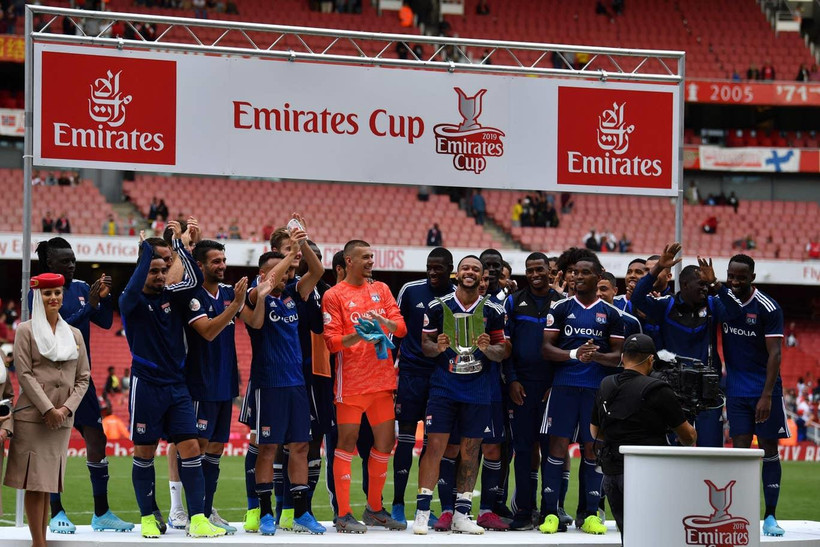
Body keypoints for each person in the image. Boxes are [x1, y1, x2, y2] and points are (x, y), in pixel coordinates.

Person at [120, 223, 226, 538]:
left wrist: (177, 245)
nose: (158, 275)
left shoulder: (172, 296)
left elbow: (192, 277)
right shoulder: (131, 301)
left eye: (162, 270)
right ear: (143, 270)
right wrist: (147, 252)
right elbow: (141, 275)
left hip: (177, 386)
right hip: (147, 384)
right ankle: (148, 517)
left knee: (191, 446)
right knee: (144, 450)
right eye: (152, 270)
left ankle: (197, 519)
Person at [31, 237, 130, 533]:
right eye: (66, 260)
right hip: (52, 378)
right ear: (50, 264)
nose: (72, 264)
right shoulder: (40, 292)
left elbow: (104, 323)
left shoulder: (82, 288)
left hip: (80, 378)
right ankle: (56, 511)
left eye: (73, 259)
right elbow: (56, 332)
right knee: (53, 445)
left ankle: (102, 513)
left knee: (96, 438)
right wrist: (91, 306)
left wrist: (104, 297)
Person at [414, 255, 510, 535]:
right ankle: (422, 512)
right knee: (436, 447)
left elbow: (501, 350)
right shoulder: (437, 306)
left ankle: (461, 514)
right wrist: (439, 347)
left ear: (482, 278)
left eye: (476, 270)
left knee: (471, 450)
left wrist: (488, 348)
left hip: (478, 388)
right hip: (444, 386)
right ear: (457, 274)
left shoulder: (492, 309)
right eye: (466, 268)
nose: (470, 272)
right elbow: (425, 346)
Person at [322, 240, 407, 533]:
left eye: (371, 256)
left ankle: (374, 509)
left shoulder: (381, 290)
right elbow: (332, 342)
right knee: (346, 444)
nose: (371, 261)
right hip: (352, 386)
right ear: (348, 260)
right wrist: (358, 336)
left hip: (382, 383)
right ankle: (343, 514)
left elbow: (402, 328)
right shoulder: (334, 295)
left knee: (385, 444)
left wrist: (385, 322)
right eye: (365, 257)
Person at [247, 223, 325, 535]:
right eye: (280, 270)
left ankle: (301, 512)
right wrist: (288, 253)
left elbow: (317, 270)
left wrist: (302, 244)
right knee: (268, 449)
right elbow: (269, 280)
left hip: (296, 383)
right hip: (269, 385)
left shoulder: (295, 293)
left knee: (301, 447)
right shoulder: (255, 295)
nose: (287, 274)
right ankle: (266, 513)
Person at [539, 249, 624, 535]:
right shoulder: (560, 308)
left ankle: (590, 515)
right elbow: (546, 349)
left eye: (584, 272)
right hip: (564, 386)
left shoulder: (611, 314)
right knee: (557, 448)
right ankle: (550, 513)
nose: (577, 277)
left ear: (598, 277)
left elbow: (619, 356)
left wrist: (595, 357)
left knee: (593, 450)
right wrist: (576, 353)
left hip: (595, 391)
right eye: (574, 272)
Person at [4, 273, 90, 547]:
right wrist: (48, 409)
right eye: (47, 293)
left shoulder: (74, 334)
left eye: (57, 292)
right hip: (33, 417)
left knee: (47, 484)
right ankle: (38, 543)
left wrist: (65, 409)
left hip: (61, 419)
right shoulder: (26, 330)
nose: (53, 297)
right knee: (35, 481)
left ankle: (40, 541)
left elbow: (83, 377)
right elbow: (25, 375)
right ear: (37, 297)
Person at [631, 243, 743, 448]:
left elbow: (737, 313)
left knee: (710, 450)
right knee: (673, 451)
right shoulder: (666, 306)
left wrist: (716, 284)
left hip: (707, 392)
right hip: (673, 391)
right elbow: (637, 298)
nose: (704, 288)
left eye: (706, 284)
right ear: (684, 284)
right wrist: (657, 269)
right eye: (700, 283)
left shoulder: (712, 305)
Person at [591, 334, 697, 541]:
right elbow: (688, 438)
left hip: (612, 472)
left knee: (629, 536)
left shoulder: (605, 384)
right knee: (653, 536)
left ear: (623, 357)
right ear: (650, 360)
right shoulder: (659, 390)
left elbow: (595, 432)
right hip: (646, 474)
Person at [184, 239, 255, 534]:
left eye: (223, 260)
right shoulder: (192, 296)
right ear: (200, 265)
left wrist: (290, 255)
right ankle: (193, 517)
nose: (222, 265)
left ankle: (206, 511)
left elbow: (262, 290)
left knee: (215, 450)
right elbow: (209, 331)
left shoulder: (228, 292)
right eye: (215, 261)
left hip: (226, 382)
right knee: (197, 449)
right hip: (200, 383)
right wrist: (236, 306)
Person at [721, 254, 787, 537]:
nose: (734, 282)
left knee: (769, 450)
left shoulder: (768, 307)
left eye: (741, 277)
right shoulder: (722, 299)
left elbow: (776, 353)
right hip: (735, 390)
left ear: (752, 278)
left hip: (763, 391)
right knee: (740, 452)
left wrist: (767, 395)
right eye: (731, 276)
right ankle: (739, 513)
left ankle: (770, 516)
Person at [390, 247, 454, 526]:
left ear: (449, 268)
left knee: (434, 442)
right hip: (411, 373)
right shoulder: (410, 290)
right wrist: (389, 368)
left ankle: (426, 508)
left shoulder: (457, 296)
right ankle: (397, 505)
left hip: (441, 375)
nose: (432, 271)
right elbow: (395, 329)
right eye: (429, 266)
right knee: (404, 437)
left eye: (438, 267)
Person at [504, 252, 563, 530]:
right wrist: (513, 380)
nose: (535, 273)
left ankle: (551, 512)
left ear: (550, 271)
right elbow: (506, 346)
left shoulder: (562, 303)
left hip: (552, 389)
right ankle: (524, 511)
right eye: (530, 269)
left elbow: (568, 345)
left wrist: (556, 385)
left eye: (540, 269)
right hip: (522, 388)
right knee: (523, 450)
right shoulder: (514, 302)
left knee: (552, 450)